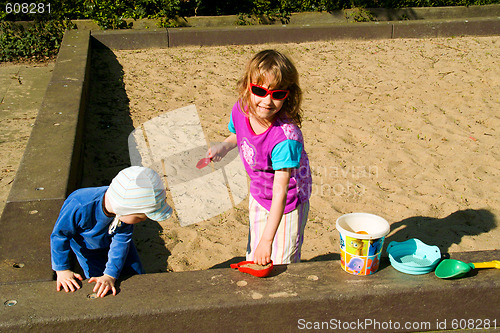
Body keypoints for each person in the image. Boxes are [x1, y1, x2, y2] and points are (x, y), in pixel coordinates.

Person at [208, 49, 312, 266]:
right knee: (255, 256)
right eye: (259, 91)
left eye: (277, 94)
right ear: (248, 87)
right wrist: (224, 147)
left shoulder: (284, 138)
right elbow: (237, 133)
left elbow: (281, 191)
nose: (267, 101)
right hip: (259, 192)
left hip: (288, 202)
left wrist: (268, 240)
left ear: (288, 95)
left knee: (281, 261)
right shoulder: (242, 109)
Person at [50, 166, 172, 297]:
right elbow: (59, 236)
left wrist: (110, 274)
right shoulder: (79, 205)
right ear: (125, 209)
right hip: (88, 251)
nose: (142, 221)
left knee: (136, 275)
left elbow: (121, 242)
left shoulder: (123, 213)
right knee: (98, 282)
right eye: (140, 218)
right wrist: (62, 269)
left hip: (117, 245)